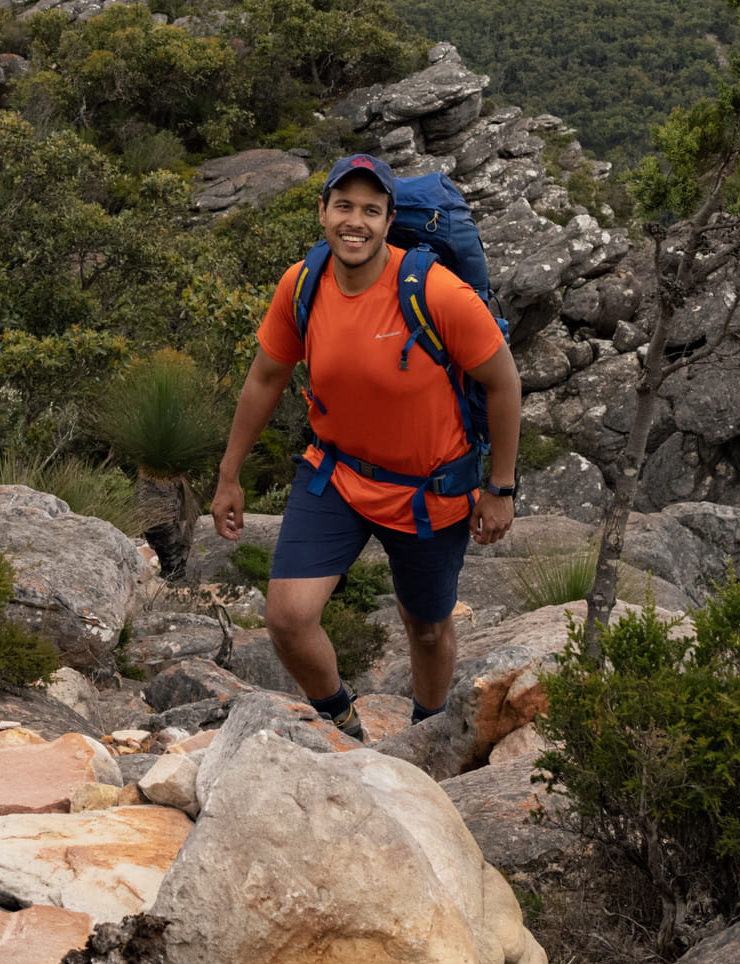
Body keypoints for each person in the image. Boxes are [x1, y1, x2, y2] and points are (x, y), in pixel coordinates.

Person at [207, 154, 520, 734]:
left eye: (371, 210)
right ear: (323, 212)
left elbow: (503, 381)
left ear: (388, 219)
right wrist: (229, 475)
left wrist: (499, 487)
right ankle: (343, 724)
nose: (356, 221)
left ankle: (424, 734)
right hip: (337, 476)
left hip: (428, 491)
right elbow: (265, 378)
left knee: (426, 627)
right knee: (288, 618)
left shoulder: (437, 292)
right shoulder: (302, 284)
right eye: (344, 206)